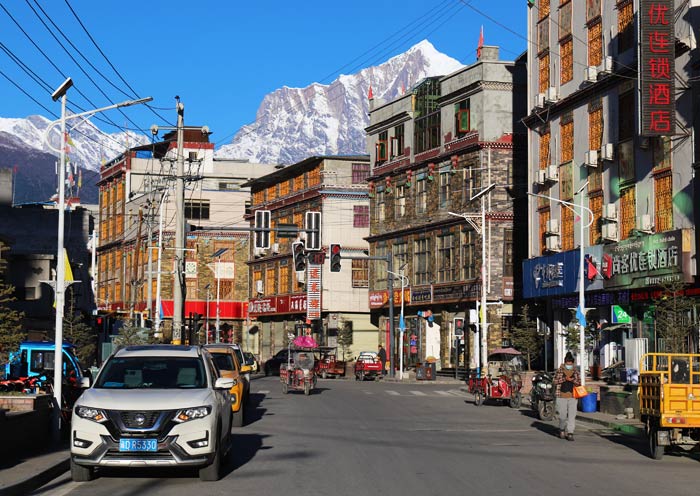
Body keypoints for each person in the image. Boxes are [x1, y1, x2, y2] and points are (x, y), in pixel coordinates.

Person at [553, 351, 581, 441]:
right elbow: (555, 381)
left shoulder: (576, 371)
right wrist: (565, 379)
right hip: (561, 396)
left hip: (573, 396)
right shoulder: (560, 370)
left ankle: (570, 432)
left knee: (572, 415)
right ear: (565, 362)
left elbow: (579, 383)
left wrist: (572, 380)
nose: (569, 365)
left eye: (570, 363)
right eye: (567, 363)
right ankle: (561, 429)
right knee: (562, 415)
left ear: (573, 363)